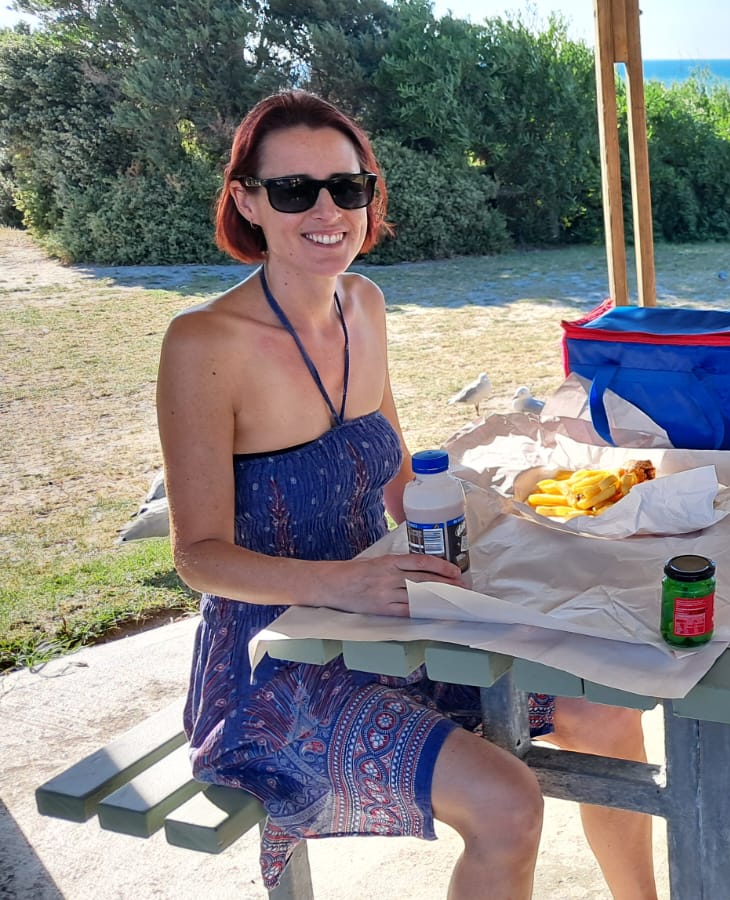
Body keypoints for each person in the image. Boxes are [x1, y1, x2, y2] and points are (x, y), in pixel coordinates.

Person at [158, 90, 657, 899]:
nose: (328, 211)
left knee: (607, 710)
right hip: (276, 662)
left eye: (348, 187)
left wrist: (514, 517)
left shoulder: (364, 304)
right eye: (294, 191)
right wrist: (342, 582)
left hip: (384, 617)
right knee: (506, 805)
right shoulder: (204, 344)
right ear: (247, 201)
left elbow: (396, 480)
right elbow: (198, 557)